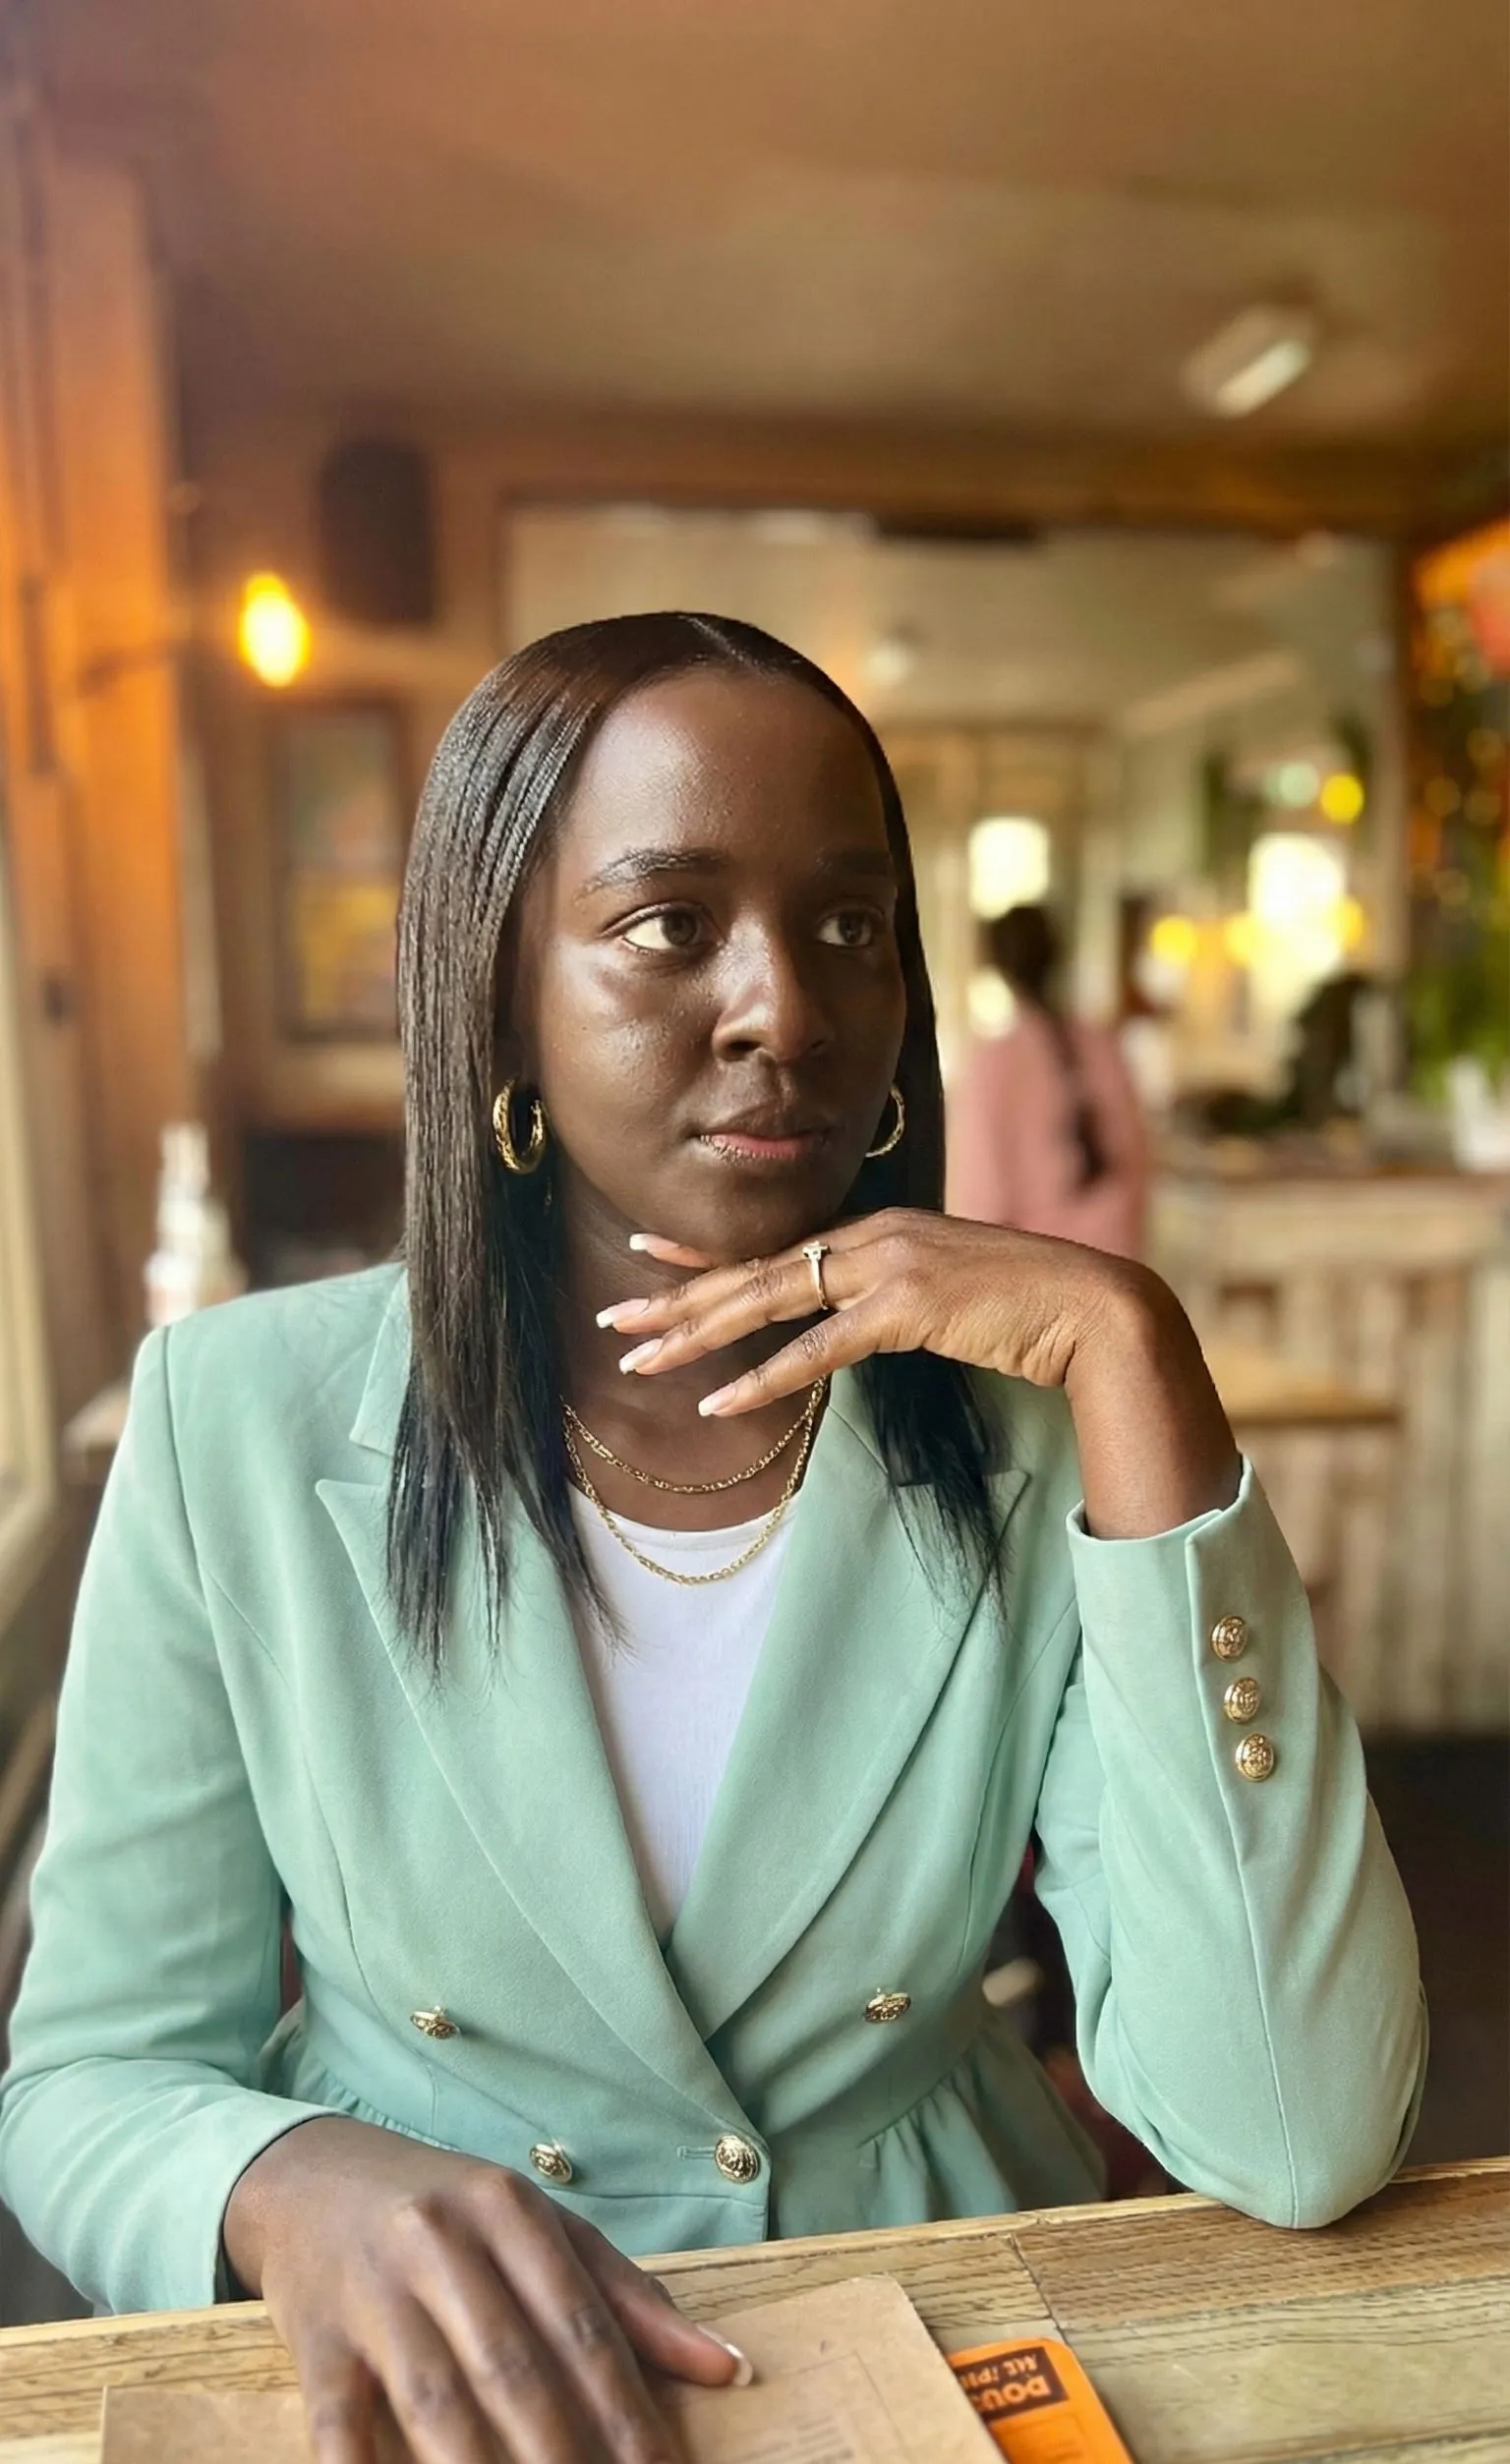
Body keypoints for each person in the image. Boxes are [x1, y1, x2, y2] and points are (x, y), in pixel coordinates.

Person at [0, 614, 1424, 2464]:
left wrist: (1136, 1355)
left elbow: (1301, 2131)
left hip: (940, 2343)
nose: (785, 1006)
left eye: (849, 926)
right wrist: (285, 2178)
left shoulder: (1036, 1439)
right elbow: (88, 2070)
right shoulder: (237, 1424)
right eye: (671, 924)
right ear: (499, 989)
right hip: (442, 2397)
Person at [948, 904, 1148, 1258]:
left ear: (996, 967)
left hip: (1035, 1275)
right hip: (1116, 1264)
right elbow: (1137, 1163)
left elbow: (982, 1200)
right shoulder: (1103, 1045)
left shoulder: (994, 1062)